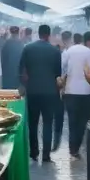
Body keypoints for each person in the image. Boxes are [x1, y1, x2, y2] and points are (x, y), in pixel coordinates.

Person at [19, 24, 62, 162]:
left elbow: (21, 69)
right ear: (48, 35)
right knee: (48, 122)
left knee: (33, 122)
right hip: (50, 92)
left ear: (38, 34)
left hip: (33, 91)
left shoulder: (28, 48)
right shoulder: (55, 51)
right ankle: (46, 154)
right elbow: (58, 73)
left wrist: (26, 84)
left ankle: (34, 152)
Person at [62, 30, 90, 159]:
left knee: (72, 121)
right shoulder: (89, 52)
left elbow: (63, 69)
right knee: (82, 121)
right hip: (85, 91)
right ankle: (76, 148)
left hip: (70, 90)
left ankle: (72, 148)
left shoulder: (68, 51)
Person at [1, 26, 24, 90]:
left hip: (7, 75)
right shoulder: (22, 44)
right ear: (18, 32)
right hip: (18, 75)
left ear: (10, 32)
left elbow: (2, 59)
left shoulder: (6, 44)